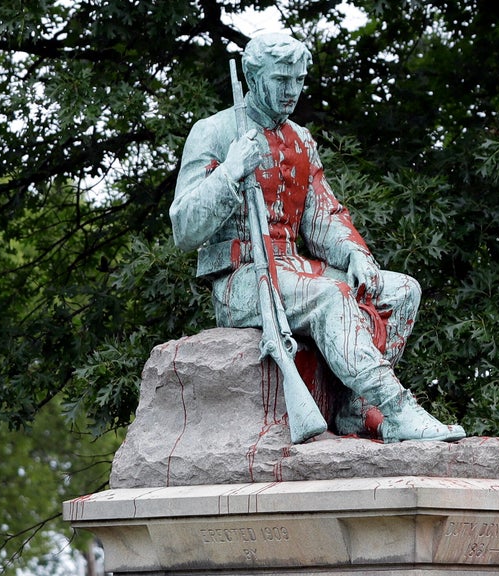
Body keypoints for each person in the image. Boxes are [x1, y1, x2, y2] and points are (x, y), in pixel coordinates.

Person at [170, 31, 465, 444]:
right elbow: (183, 228)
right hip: (241, 280)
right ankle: (398, 410)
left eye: (299, 79)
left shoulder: (301, 140)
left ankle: (356, 410)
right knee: (330, 295)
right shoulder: (215, 132)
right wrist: (229, 171)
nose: (292, 91)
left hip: (293, 268)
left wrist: (356, 255)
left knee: (400, 290)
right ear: (253, 78)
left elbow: (325, 215)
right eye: (281, 80)